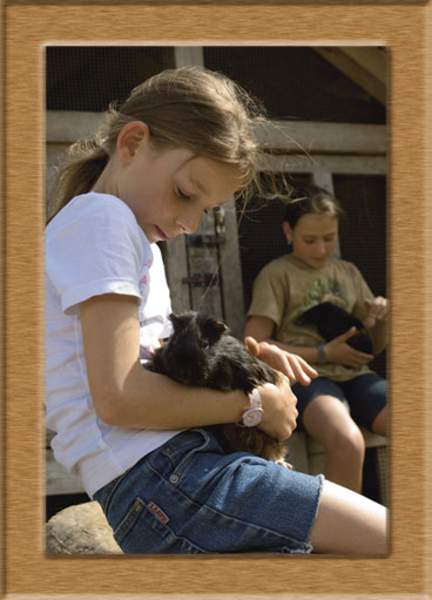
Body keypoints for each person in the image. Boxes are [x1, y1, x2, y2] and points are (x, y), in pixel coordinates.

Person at [46, 66, 387, 555]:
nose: (189, 221)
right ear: (133, 143)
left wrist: (246, 367)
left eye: (206, 209)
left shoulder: (123, 235)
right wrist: (253, 405)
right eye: (186, 193)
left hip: (171, 477)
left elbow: (150, 367)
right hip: (168, 478)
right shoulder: (104, 219)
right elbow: (119, 398)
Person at [245, 183, 388, 493]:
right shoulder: (277, 274)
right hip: (307, 379)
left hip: (357, 376)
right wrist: (324, 353)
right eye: (310, 240)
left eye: (329, 238)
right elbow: (255, 344)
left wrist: (383, 319)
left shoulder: (348, 272)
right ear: (288, 232)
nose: (321, 249)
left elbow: (374, 348)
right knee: (347, 441)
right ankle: (342, 525)